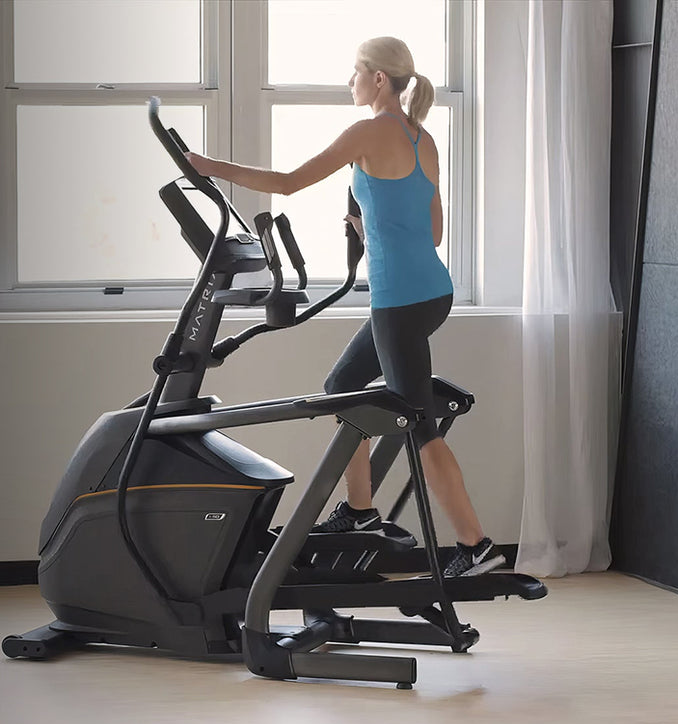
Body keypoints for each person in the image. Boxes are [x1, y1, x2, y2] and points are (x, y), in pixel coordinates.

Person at [185, 36, 503, 577]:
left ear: (378, 78)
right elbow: (432, 231)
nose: (349, 82)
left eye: (355, 72)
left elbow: (288, 184)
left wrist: (207, 165)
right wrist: (369, 225)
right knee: (343, 386)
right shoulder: (422, 137)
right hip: (433, 292)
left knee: (419, 425)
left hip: (400, 300)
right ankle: (360, 511)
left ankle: (477, 548)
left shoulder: (367, 132)